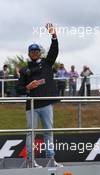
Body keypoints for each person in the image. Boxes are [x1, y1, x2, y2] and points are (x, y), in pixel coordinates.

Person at [16, 23, 62, 167]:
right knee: (31, 133)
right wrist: (27, 88)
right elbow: (17, 89)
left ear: (40, 53)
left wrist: (54, 35)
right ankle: (30, 161)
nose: (35, 53)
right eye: (32, 51)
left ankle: (51, 160)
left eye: (37, 51)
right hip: (31, 106)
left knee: (49, 132)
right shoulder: (24, 70)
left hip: (46, 104)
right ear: (29, 53)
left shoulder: (47, 63)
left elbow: (54, 50)